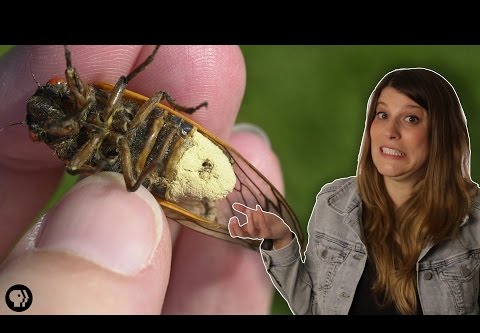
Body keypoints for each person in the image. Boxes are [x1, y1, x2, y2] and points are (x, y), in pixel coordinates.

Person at [0, 45, 279, 314]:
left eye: (58, 82)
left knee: (155, 97)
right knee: (134, 174)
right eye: (36, 134)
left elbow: (126, 87)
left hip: (163, 135)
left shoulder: (87, 97)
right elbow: (76, 164)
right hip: (146, 166)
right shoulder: (70, 149)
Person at [229, 67, 480, 315]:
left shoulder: (474, 222)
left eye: (411, 119)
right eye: (382, 115)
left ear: (441, 133)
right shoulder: (334, 204)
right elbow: (314, 308)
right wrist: (282, 240)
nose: (390, 132)